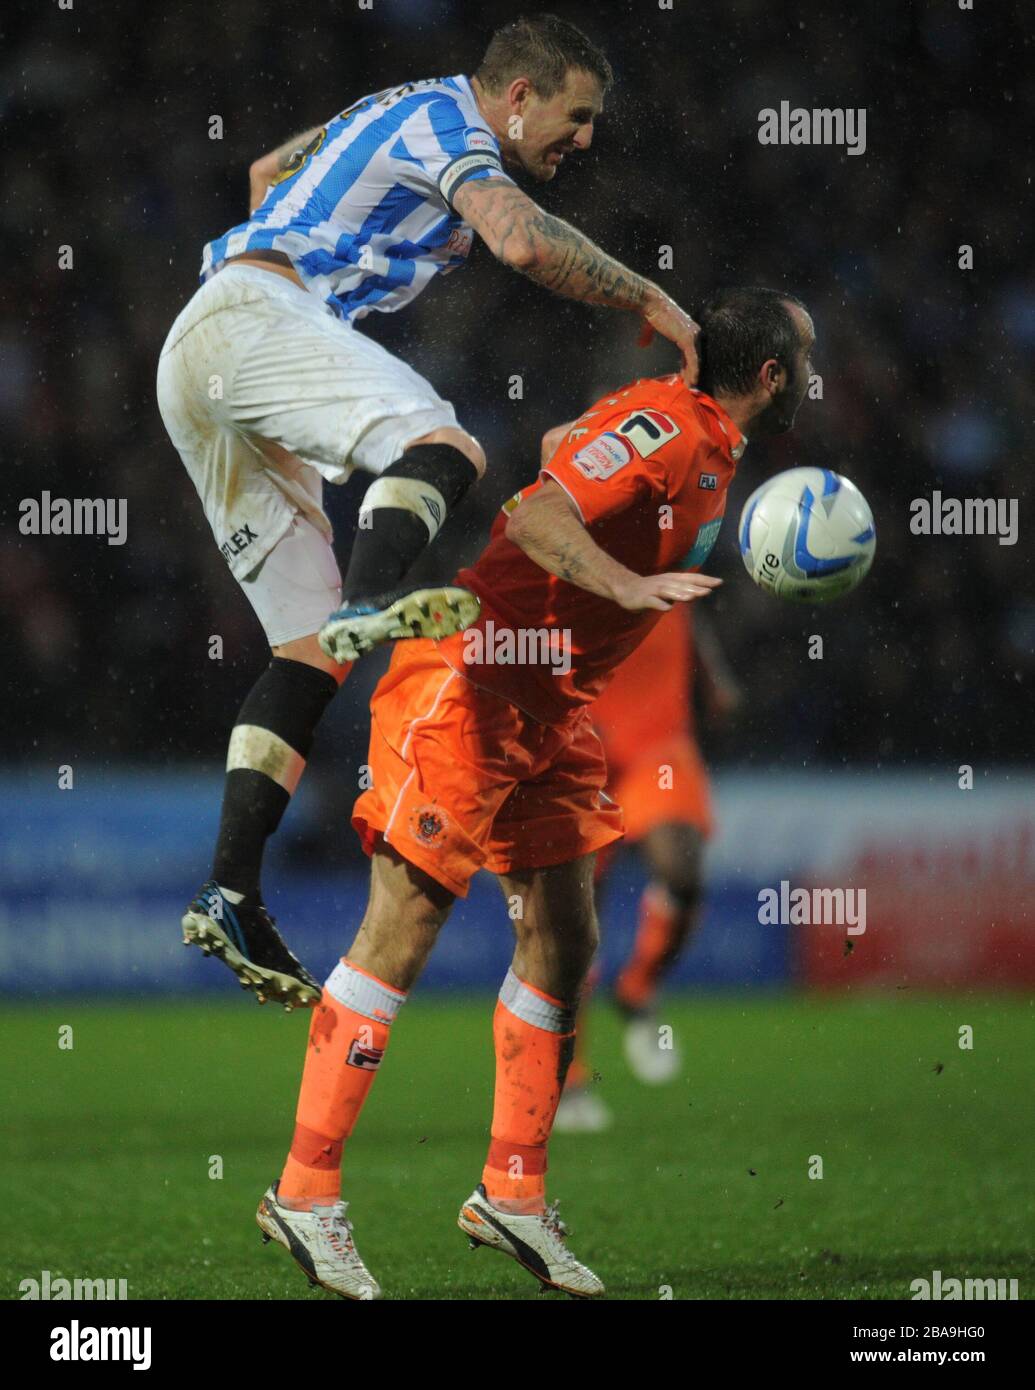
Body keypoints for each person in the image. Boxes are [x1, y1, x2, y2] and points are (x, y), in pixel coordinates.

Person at [254, 287, 816, 1298]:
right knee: (402, 932)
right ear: (770, 375)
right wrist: (626, 585)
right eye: (806, 362)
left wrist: (599, 468)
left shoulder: (695, 438)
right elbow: (543, 504)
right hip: (470, 680)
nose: (815, 378)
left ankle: (511, 1195)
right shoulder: (678, 436)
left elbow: (569, 441)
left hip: (552, 704)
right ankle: (305, 1193)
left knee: (566, 940)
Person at [156, 15, 701, 1009]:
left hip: (205, 352)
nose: (582, 143)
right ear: (521, 95)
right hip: (254, 320)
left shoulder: (397, 114)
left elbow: (266, 174)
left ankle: (229, 888)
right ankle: (374, 596)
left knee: (308, 652)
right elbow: (521, 241)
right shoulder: (449, 122)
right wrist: (651, 300)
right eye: (575, 118)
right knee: (443, 442)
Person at [554, 604, 742, 1134]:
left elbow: (689, 605)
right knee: (576, 919)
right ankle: (569, 1080)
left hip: (657, 739)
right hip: (581, 743)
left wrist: (714, 675)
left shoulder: (672, 531)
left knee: (682, 871)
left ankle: (638, 987)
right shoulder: (561, 533)